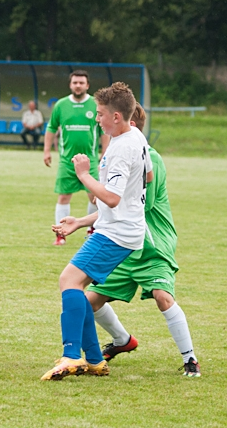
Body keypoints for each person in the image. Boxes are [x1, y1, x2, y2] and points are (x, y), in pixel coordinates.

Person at [41, 82, 152, 381]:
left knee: (69, 280)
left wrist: (84, 174)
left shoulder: (121, 148)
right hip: (118, 228)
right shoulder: (135, 135)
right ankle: (93, 359)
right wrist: (81, 221)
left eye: (100, 114)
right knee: (76, 284)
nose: (96, 119)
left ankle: (71, 355)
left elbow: (113, 198)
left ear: (116, 116)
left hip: (116, 234)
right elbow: (147, 178)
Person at [85, 103, 201, 378]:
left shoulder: (153, 159)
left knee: (163, 297)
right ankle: (122, 341)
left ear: (129, 126)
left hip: (152, 244)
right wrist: (81, 220)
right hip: (124, 245)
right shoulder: (114, 155)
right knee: (89, 301)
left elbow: (135, 205)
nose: (103, 125)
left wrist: (98, 195)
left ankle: (190, 359)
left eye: (106, 119)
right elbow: (111, 203)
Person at [43, 70, 110, 246]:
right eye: (75, 82)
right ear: (70, 85)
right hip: (67, 161)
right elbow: (51, 128)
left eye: (81, 83)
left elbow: (104, 130)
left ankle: (92, 231)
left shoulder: (96, 105)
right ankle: (60, 234)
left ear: (87, 85)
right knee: (64, 196)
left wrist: (105, 152)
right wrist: (46, 151)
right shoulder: (61, 105)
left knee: (96, 196)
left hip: (91, 160)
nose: (78, 85)